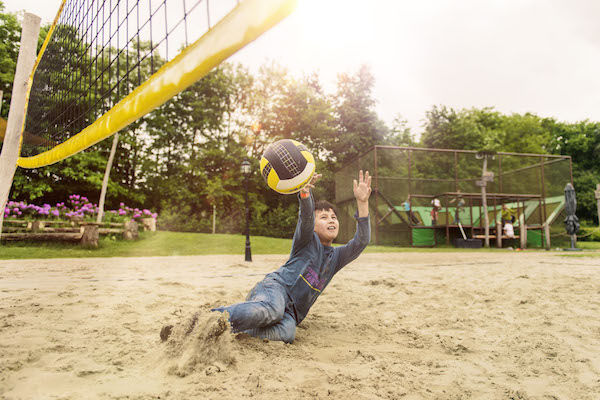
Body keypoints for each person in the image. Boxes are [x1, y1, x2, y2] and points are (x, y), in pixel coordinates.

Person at [211, 170, 372, 343]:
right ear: (314, 227)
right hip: (275, 290)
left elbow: (361, 241)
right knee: (272, 310)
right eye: (324, 217)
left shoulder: (337, 257)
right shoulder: (306, 239)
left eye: (333, 217)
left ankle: (243, 330)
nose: (331, 220)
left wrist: (362, 203)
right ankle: (208, 320)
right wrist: (305, 193)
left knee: (287, 334)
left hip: (291, 313)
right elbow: (307, 217)